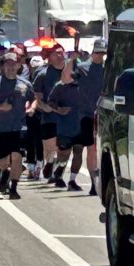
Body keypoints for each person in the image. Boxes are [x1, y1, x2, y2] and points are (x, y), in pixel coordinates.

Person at [0, 52, 36, 199]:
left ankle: (14, 188)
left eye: (14, 64)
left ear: (19, 65)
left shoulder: (24, 84)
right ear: (3, 66)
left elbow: (33, 98)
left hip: (20, 127)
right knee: (2, 161)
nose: (11, 67)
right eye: (8, 64)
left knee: (17, 157)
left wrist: (31, 107)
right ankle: (3, 172)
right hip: (2, 127)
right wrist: (0, 107)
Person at [46, 55, 86, 190]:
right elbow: (50, 102)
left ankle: (72, 181)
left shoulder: (84, 86)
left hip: (81, 124)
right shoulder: (60, 87)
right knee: (64, 153)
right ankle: (57, 173)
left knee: (78, 151)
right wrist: (59, 110)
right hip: (65, 126)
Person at [76, 39, 106, 196]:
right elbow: (67, 78)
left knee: (104, 149)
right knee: (92, 149)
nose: (100, 56)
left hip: (105, 114)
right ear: (93, 52)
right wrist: (72, 60)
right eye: (98, 52)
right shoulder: (82, 68)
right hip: (88, 114)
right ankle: (94, 183)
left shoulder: (109, 69)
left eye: (103, 53)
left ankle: (102, 178)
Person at [32, 45, 66, 180]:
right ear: (49, 57)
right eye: (55, 53)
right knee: (50, 148)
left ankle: (58, 174)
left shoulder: (71, 71)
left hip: (67, 118)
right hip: (49, 117)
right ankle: (50, 164)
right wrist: (44, 107)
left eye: (61, 52)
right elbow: (35, 96)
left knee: (64, 148)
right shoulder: (42, 75)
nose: (59, 55)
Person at [24, 54, 45, 179]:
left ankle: (39, 165)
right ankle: (31, 167)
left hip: (42, 113)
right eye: (34, 67)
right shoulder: (26, 80)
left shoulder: (44, 78)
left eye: (38, 67)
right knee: (30, 140)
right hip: (29, 114)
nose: (36, 70)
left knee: (40, 141)